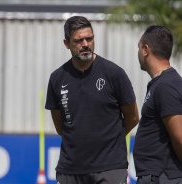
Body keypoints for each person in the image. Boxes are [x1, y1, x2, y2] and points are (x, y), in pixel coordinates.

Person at [45, 16, 139, 184]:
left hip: (110, 168)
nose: (85, 44)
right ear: (66, 43)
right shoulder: (57, 78)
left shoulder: (114, 73)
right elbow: (61, 127)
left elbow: (133, 117)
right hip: (70, 170)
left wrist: (107, 139)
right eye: (79, 40)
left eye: (89, 38)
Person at [134, 25, 182, 183]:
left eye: (139, 47)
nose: (138, 53)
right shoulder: (161, 83)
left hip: (163, 177)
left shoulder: (166, 86)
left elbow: (180, 138)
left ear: (146, 50)